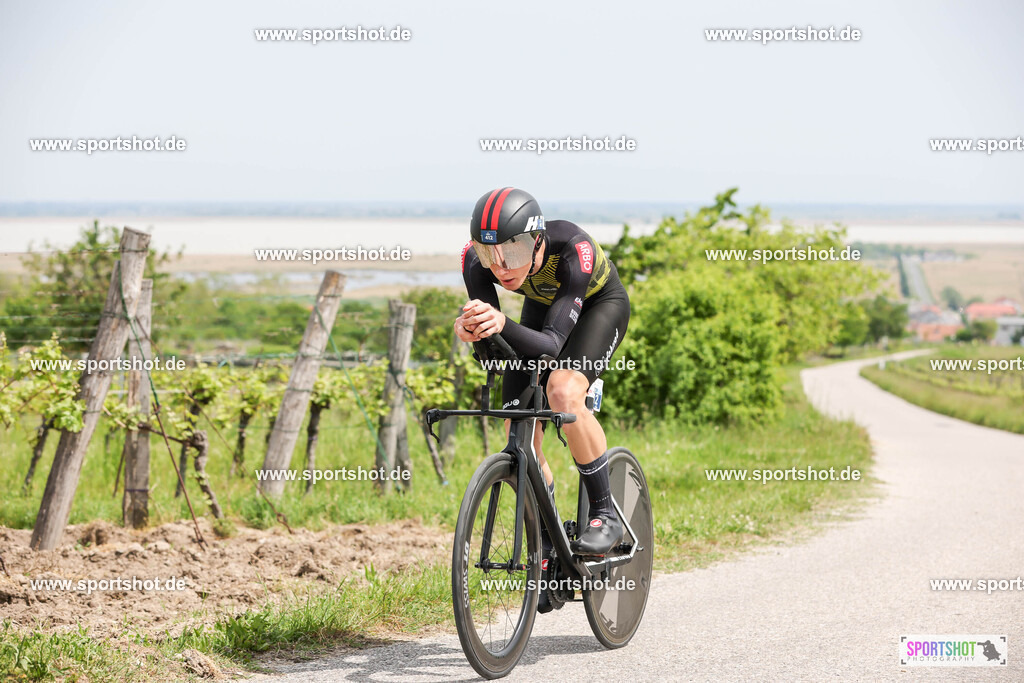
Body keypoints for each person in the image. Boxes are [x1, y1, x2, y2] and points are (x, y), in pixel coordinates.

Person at [454, 187, 631, 603]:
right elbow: (494, 347)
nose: (500, 268)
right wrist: (472, 333)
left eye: (513, 255)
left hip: (596, 306)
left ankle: (605, 513)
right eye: (489, 254)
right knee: (518, 423)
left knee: (562, 390)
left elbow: (552, 344)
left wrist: (498, 323)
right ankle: (549, 544)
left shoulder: (574, 249)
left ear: (537, 241)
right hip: (542, 308)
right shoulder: (475, 262)